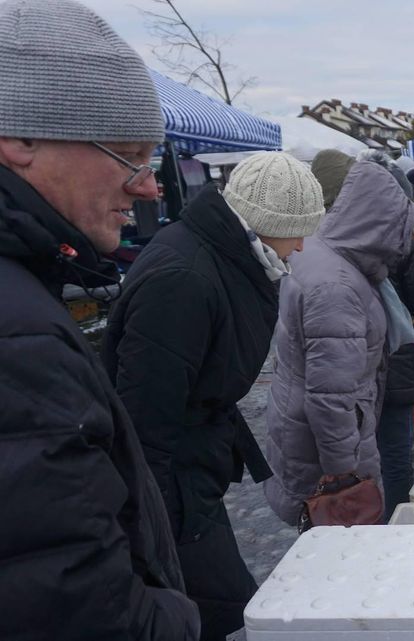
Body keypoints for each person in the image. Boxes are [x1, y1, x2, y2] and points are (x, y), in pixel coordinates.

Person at [0, 1, 199, 638]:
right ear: (20, 140)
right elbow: (75, 600)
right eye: (129, 155)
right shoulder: (17, 331)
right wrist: (175, 617)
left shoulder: (29, 290)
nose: (148, 187)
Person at [103, 152, 325, 640]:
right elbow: (144, 422)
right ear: (269, 223)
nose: (304, 245)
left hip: (191, 470)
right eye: (299, 231)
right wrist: (153, 538)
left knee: (220, 605)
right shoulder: (185, 279)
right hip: (168, 487)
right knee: (220, 610)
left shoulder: (227, 255)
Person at [264, 153, 414, 527]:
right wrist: (346, 480)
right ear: (382, 223)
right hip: (323, 459)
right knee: (337, 559)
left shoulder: (321, 252)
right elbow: (330, 399)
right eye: (402, 230)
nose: (405, 243)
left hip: (300, 432)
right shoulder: (337, 287)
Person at [311, 150, 414, 522]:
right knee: (392, 457)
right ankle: (392, 528)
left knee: (357, 459)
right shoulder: (395, 241)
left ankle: (368, 525)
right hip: (390, 363)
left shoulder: (311, 244)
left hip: (348, 376)